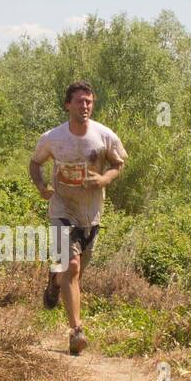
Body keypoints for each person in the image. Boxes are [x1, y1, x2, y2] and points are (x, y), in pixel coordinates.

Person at [28, 81, 127, 355]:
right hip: (62, 209)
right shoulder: (53, 138)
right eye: (80, 101)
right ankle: (76, 332)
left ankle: (53, 281)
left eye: (89, 101)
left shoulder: (105, 136)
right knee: (72, 267)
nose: (85, 106)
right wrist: (41, 185)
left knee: (74, 270)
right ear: (67, 105)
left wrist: (104, 178)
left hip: (91, 214)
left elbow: (119, 164)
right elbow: (35, 163)